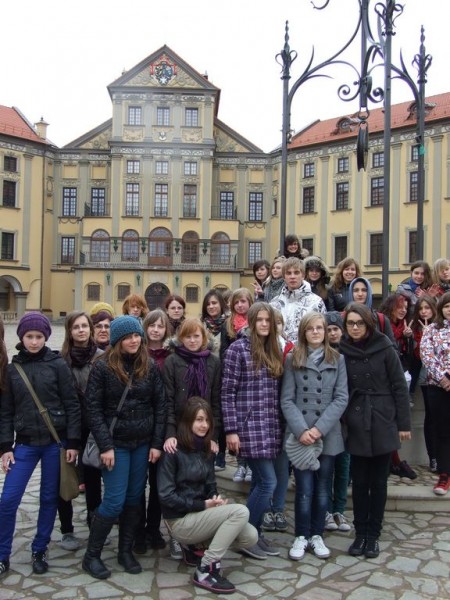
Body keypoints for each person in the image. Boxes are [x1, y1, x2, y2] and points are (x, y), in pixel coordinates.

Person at [82, 315, 166, 579]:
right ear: (117, 340)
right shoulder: (102, 367)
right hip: (115, 445)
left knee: (134, 498)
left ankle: (125, 551)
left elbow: (160, 406)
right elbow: (93, 409)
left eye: (136, 335)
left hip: (141, 443)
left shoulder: (149, 365)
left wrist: (156, 443)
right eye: (128, 337)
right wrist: (105, 446)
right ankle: (91, 556)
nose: (134, 340)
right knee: (115, 500)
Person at [0, 313, 81, 577]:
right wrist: (5, 447)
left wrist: (73, 442)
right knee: (8, 499)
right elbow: (5, 411)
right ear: (21, 337)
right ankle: (2, 554)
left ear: (46, 337)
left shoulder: (58, 365)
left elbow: (71, 404)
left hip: (54, 443)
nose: (34, 341)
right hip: (24, 444)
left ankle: (40, 548)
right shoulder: (12, 370)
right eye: (29, 336)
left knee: (48, 497)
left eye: (38, 336)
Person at [158, 397, 258, 594]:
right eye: (199, 420)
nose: (204, 425)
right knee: (240, 511)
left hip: (201, 514)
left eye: (207, 420)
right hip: (179, 521)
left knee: (250, 536)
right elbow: (166, 496)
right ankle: (206, 569)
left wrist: (215, 499)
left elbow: (211, 485)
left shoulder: (207, 450)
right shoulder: (172, 451)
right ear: (187, 421)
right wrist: (203, 505)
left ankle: (197, 546)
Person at [340, 304, 411, 559]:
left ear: (369, 324)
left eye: (359, 323)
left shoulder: (385, 348)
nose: (355, 327)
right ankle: (360, 533)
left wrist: (403, 424)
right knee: (359, 482)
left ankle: (373, 535)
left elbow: (399, 386)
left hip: (383, 418)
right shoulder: (342, 350)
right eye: (350, 323)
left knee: (379, 482)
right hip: (357, 418)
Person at [281, 312, 348, 561]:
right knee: (304, 489)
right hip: (301, 436)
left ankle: (317, 534)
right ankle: (301, 534)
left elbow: (341, 397)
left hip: (327, 435)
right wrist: (302, 430)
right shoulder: (293, 358)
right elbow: (287, 399)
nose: (316, 332)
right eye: (311, 329)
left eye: (320, 328)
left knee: (322, 489)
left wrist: (319, 429)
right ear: (304, 332)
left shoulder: (338, 359)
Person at [222, 302, 284, 560]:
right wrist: (231, 430)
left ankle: (254, 535)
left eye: (268, 320)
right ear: (251, 321)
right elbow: (227, 392)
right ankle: (242, 535)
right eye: (259, 319)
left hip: (270, 426)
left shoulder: (273, 349)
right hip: (249, 427)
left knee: (260, 482)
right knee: (269, 482)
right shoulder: (237, 349)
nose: (264, 324)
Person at [162, 317, 222, 560]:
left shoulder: (213, 362)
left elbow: (216, 401)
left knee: (200, 482)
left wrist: (214, 435)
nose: (193, 340)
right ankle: (176, 535)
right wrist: (169, 433)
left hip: (203, 430)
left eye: (197, 336)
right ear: (181, 338)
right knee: (178, 482)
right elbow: (168, 400)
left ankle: (199, 530)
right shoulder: (172, 361)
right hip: (180, 430)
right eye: (188, 336)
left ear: (204, 337)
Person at [58, 311, 104, 551]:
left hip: (93, 427)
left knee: (93, 478)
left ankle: (94, 522)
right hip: (68, 428)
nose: (81, 330)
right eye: (76, 327)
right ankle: (67, 530)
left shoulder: (102, 357)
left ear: (90, 329)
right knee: (65, 479)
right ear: (70, 331)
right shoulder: (61, 360)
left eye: (85, 326)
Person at [133, 308, 173, 554]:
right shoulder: (136, 352)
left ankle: (153, 528)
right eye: (152, 325)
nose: (156, 330)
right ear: (145, 327)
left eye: (160, 326)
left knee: (159, 484)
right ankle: (137, 530)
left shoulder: (172, 356)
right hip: (139, 425)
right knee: (137, 483)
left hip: (163, 424)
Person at [323, 311, 352, 534]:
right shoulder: (320, 353)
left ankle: (339, 509)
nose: (333, 333)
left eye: (336, 329)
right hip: (326, 418)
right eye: (329, 329)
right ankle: (325, 509)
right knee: (325, 468)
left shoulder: (350, 352)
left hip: (347, 419)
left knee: (343, 467)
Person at [420, 292, 450, 495]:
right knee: (442, 431)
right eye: (446, 306)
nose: (449, 309)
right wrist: (443, 378)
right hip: (437, 387)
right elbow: (427, 355)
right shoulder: (432, 329)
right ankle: (444, 473)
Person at [201, 290, 229, 471]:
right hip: (205, 374)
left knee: (222, 414)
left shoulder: (228, 324)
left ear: (221, 305)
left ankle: (221, 454)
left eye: (214, 303)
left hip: (224, 374)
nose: (211, 306)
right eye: (208, 304)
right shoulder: (201, 325)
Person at [270, 257, 326, 344]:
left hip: (307, 350)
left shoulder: (316, 302)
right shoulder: (274, 303)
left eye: (296, 273)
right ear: (284, 277)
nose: (292, 276)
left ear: (303, 275)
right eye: (288, 273)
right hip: (280, 350)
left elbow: (323, 330)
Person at [410, 296, 438, 472]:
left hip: (444, 375)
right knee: (431, 416)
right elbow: (417, 355)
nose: (424, 311)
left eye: (427, 308)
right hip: (426, 377)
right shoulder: (415, 328)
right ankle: (433, 457)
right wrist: (423, 337)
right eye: (421, 308)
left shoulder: (440, 326)